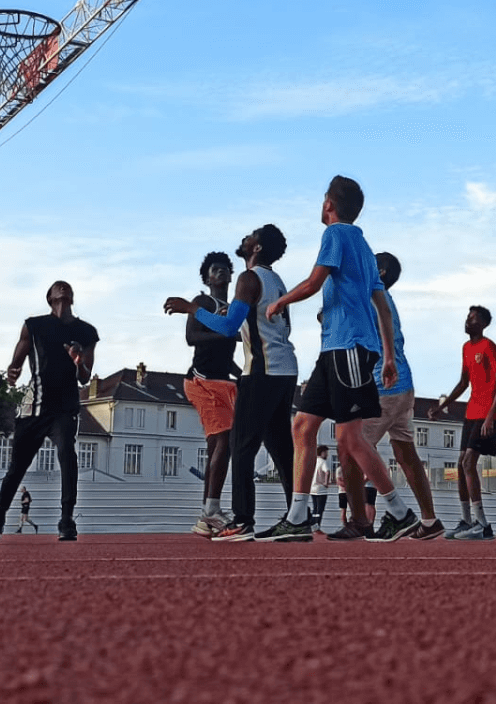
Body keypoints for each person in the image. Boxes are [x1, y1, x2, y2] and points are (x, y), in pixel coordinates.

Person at [258, 177, 418, 543]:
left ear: (329, 203)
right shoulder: (363, 245)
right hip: (336, 349)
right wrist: (388, 356)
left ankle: (399, 512)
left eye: (322, 199)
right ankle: (298, 516)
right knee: (303, 426)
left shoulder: (336, 234)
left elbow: (314, 283)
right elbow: (382, 307)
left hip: (348, 347)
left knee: (351, 438)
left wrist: (280, 301)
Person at [185, 225, 299, 543]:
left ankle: (243, 520)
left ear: (256, 247)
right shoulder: (276, 280)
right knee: (280, 447)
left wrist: (192, 310)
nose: (245, 238)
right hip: (286, 367)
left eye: (251, 235)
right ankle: (297, 518)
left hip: (262, 369)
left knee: (241, 446)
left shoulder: (249, 279)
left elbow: (228, 326)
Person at [337, 252, 446, 540]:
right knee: (406, 454)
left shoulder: (370, 297)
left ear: (381, 271)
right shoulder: (384, 299)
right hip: (403, 386)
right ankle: (430, 520)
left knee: (350, 449)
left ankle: (363, 521)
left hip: (382, 386)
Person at [0, 281, 99, 543]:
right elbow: (16, 363)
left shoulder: (86, 332)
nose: (63, 288)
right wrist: (12, 372)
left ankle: (67, 520)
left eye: (67, 287)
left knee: (67, 456)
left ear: (72, 297)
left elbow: (84, 377)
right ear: (50, 297)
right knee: (17, 467)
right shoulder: (33, 326)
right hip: (34, 406)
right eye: (58, 287)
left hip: (65, 407)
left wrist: (78, 361)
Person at [162, 252, 240, 537]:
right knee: (225, 440)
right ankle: (212, 510)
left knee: (217, 446)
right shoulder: (203, 303)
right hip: (201, 380)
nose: (220, 272)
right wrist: (227, 333)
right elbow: (191, 338)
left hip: (223, 380)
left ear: (231, 275)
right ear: (207, 278)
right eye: (214, 269)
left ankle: (207, 515)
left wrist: (241, 372)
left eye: (225, 269)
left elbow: (225, 354)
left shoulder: (234, 308)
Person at [437, 305, 496, 541]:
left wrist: (490, 416)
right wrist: (441, 406)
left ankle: (483, 524)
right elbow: (463, 383)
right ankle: (466, 520)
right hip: (471, 412)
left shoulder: (489, 347)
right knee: (460, 464)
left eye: (474, 318)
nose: (468, 321)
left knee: (468, 462)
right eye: (467, 317)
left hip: (487, 413)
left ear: (484, 324)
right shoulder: (466, 348)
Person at [311, 444, 335, 527]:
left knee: (315, 508)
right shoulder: (322, 462)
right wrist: (326, 483)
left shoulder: (314, 461)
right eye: (326, 453)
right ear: (322, 453)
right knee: (320, 509)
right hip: (321, 489)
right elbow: (327, 472)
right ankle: (317, 525)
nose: (327, 455)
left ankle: (313, 524)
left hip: (313, 488)